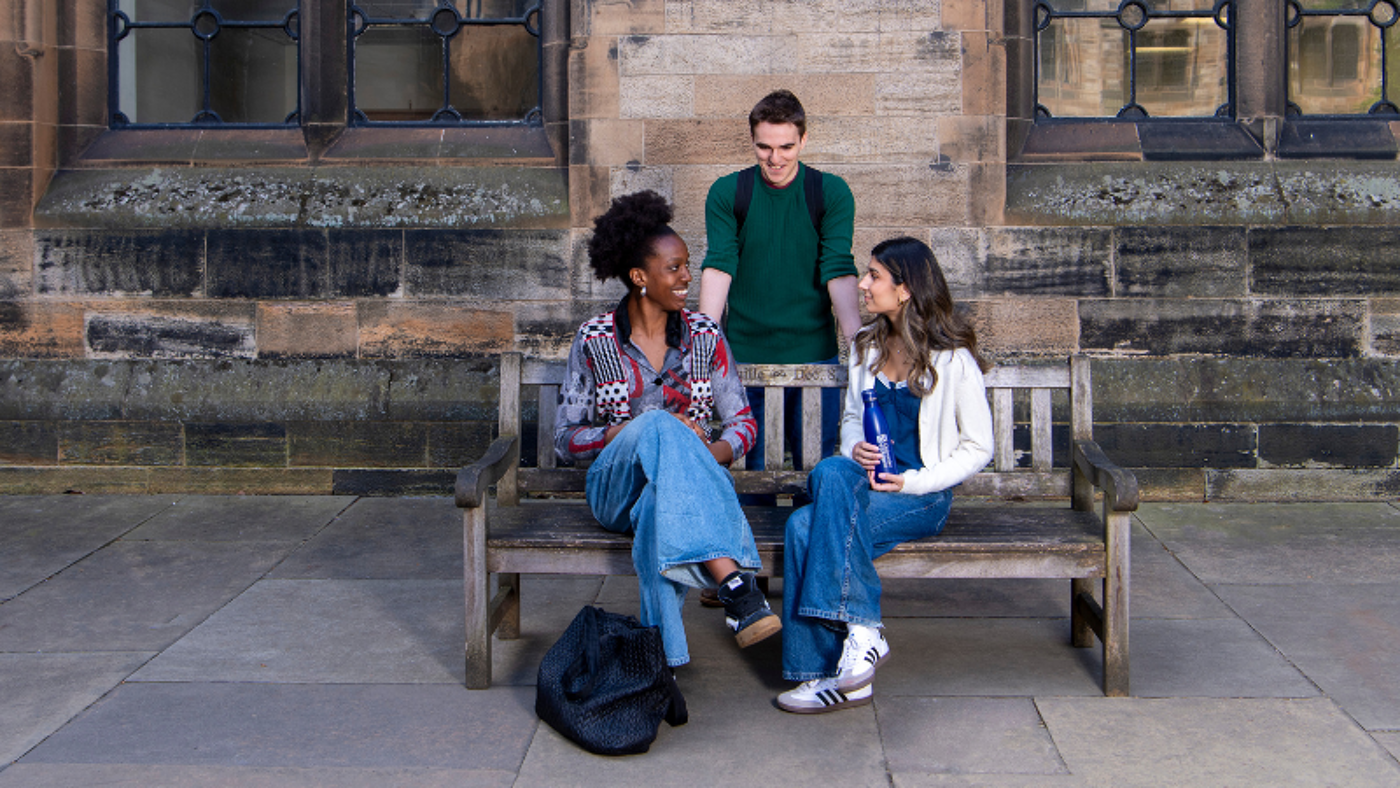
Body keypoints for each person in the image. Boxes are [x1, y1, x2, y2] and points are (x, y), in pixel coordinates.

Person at [553, 190, 781, 669]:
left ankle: (663, 666)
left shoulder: (705, 335)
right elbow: (566, 438)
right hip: (613, 491)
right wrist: (629, 433)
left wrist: (700, 452)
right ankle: (732, 579)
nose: (686, 277)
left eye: (687, 266)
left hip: (671, 497)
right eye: (674, 268)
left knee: (661, 505)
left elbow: (742, 425)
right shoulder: (595, 340)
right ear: (640, 277)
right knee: (658, 423)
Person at [775, 237, 994, 714]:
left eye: (874, 275)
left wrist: (912, 483)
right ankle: (857, 650)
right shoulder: (865, 347)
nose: (863, 284)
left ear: (906, 288)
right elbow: (853, 417)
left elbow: (980, 446)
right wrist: (855, 445)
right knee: (830, 474)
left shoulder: (953, 358)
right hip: (863, 487)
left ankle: (840, 654)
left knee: (803, 527)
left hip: (920, 496)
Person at [699, 88, 861, 474]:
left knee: (814, 469)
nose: (775, 158)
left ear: (804, 139)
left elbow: (837, 266)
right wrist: (703, 342)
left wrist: (859, 341)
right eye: (764, 147)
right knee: (752, 473)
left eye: (786, 146)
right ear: (752, 140)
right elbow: (720, 265)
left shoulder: (830, 192)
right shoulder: (728, 192)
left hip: (813, 358)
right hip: (744, 360)